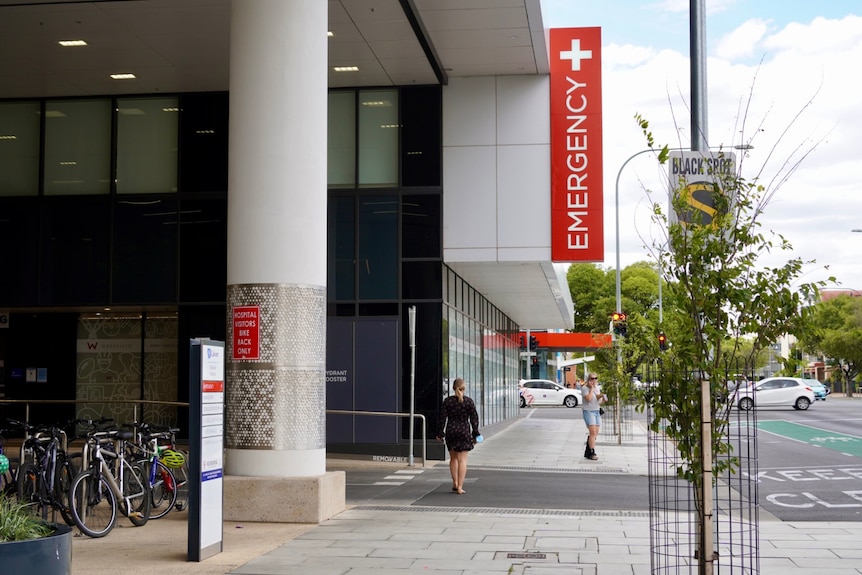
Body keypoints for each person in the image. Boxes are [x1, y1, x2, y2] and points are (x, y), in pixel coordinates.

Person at [436, 378, 480, 494]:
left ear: (453, 388)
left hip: (451, 431)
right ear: (463, 388)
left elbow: (442, 418)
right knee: (462, 460)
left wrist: (440, 433)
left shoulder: (448, 401)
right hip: (464, 432)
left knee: (453, 459)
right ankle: (460, 487)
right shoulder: (468, 402)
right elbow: (474, 419)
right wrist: (475, 433)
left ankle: (455, 483)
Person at [581, 372, 606, 460]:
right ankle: (592, 452)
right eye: (592, 379)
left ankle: (587, 451)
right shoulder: (584, 388)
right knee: (593, 433)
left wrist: (602, 397)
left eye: (595, 378)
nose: (594, 380)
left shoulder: (597, 388)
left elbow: (596, 399)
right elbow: (588, 398)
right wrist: (591, 388)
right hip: (588, 411)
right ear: (588, 380)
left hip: (596, 411)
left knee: (596, 432)